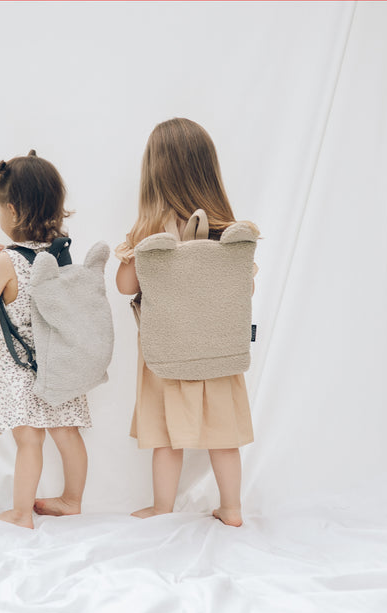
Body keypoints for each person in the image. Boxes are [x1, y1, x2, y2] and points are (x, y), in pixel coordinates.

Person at [115, 118, 257, 527]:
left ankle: (163, 508)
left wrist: (136, 248)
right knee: (224, 434)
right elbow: (244, 289)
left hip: (167, 350)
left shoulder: (150, 231)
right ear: (208, 172)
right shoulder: (228, 231)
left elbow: (126, 286)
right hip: (217, 347)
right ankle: (231, 509)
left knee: (166, 435)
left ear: (154, 175)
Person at [0, 151, 91, 530]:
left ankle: (21, 514)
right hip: (58, 363)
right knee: (67, 433)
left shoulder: (7, 262)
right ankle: (72, 500)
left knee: (29, 441)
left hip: (19, 370)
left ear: (14, 210)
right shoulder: (61, 255)